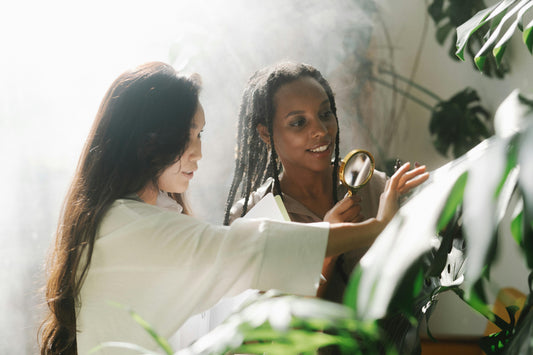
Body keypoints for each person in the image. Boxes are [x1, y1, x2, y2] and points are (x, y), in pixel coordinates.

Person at [39, 61, 417, 355]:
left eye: (199, 134)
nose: (198, 152)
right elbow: (251, 248)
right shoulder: (128, 227)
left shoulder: (149, 217)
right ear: (147, 140)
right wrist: (376, 225)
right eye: (186, 135)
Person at [224, 62, 429, 303]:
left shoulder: (373, 187)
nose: (321, 130)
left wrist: (426, 211)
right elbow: (278, 330)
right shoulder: (253, 217)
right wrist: (327, 243)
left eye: (325, 114)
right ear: (266, 134)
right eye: (299, 122)